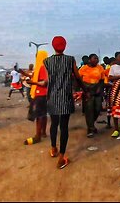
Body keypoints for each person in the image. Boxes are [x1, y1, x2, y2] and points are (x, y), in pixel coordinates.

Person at [44, 36, 86, 169]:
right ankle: (62, 157)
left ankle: (53, 149)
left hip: (52, 97)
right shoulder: (70, 59)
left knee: (53, 124)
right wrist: (85, 89)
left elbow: (46, 81)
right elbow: (78, 77)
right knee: (64, 127)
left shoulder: (46, 61)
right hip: (66, 97)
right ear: (65, 46)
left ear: (53, 46)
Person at [24, 50, 49, 145]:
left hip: (41, 94)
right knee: (43, 114)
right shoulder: (41, 67)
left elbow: (44, 82)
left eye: (37, 56)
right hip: (42, 94)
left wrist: (32, 83)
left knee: (39, 116)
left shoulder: (43, 67)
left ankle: (38, 136)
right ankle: (43, 133)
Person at [79, 53, 105, 138]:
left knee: (97, 109)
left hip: (97, 89)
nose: (97, 60)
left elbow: (102, 80)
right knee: (89, 109)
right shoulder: (83, 69)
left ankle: (91, 124)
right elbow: (78, 80)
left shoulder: (100, 68)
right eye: (95, 58)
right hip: (87, 90)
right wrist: (84, 90)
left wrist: (99, 88)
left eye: (97, 58)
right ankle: (90, 129)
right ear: (90, 60)